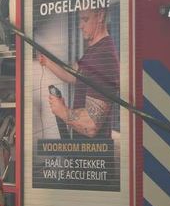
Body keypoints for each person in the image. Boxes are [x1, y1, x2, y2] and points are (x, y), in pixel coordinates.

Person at [38, 7, 118, 139]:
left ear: (100, 16)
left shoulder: (103, 56)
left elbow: (91, 125)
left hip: (94, 156)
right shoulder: (93, 51)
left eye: (85, 19)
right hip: (83, 151)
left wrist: (62, 111)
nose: (80, 26)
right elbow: (72, 75)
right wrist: (47, 62)